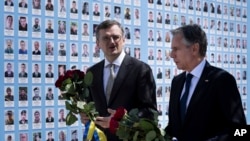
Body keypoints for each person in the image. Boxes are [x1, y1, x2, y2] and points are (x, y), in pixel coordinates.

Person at [164, 24, 246, 141]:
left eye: (176, 49)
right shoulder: (177, 82)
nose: (172, 55)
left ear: (194, 49)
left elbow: (241, 131)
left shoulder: (222, 80)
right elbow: (174, 128)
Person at [79, 20, 157, 141]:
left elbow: (150, 112)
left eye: (116, 37)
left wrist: (123, 122)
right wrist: (85, 116)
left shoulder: (141, 70)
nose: (112, 42)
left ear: (124, 39)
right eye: (105, 38)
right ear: (98, 43)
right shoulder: (92, 72)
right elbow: (91, 106)